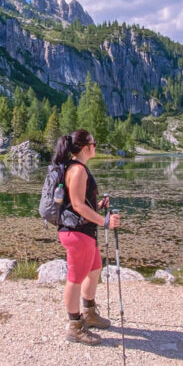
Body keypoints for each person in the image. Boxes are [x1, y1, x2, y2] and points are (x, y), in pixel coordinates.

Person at [53, 129, 121, 345]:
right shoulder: (78, 170)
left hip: (83, 232)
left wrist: (99, 205)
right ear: (85, 147)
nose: (96, 146)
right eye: (94, 143)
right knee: (75, 279)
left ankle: (89, 313)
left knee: (94, 269)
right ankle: (74, 326)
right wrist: (105, 221)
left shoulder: (78, 169)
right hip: (77, 234)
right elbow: (78, 205)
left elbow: (80, 202)